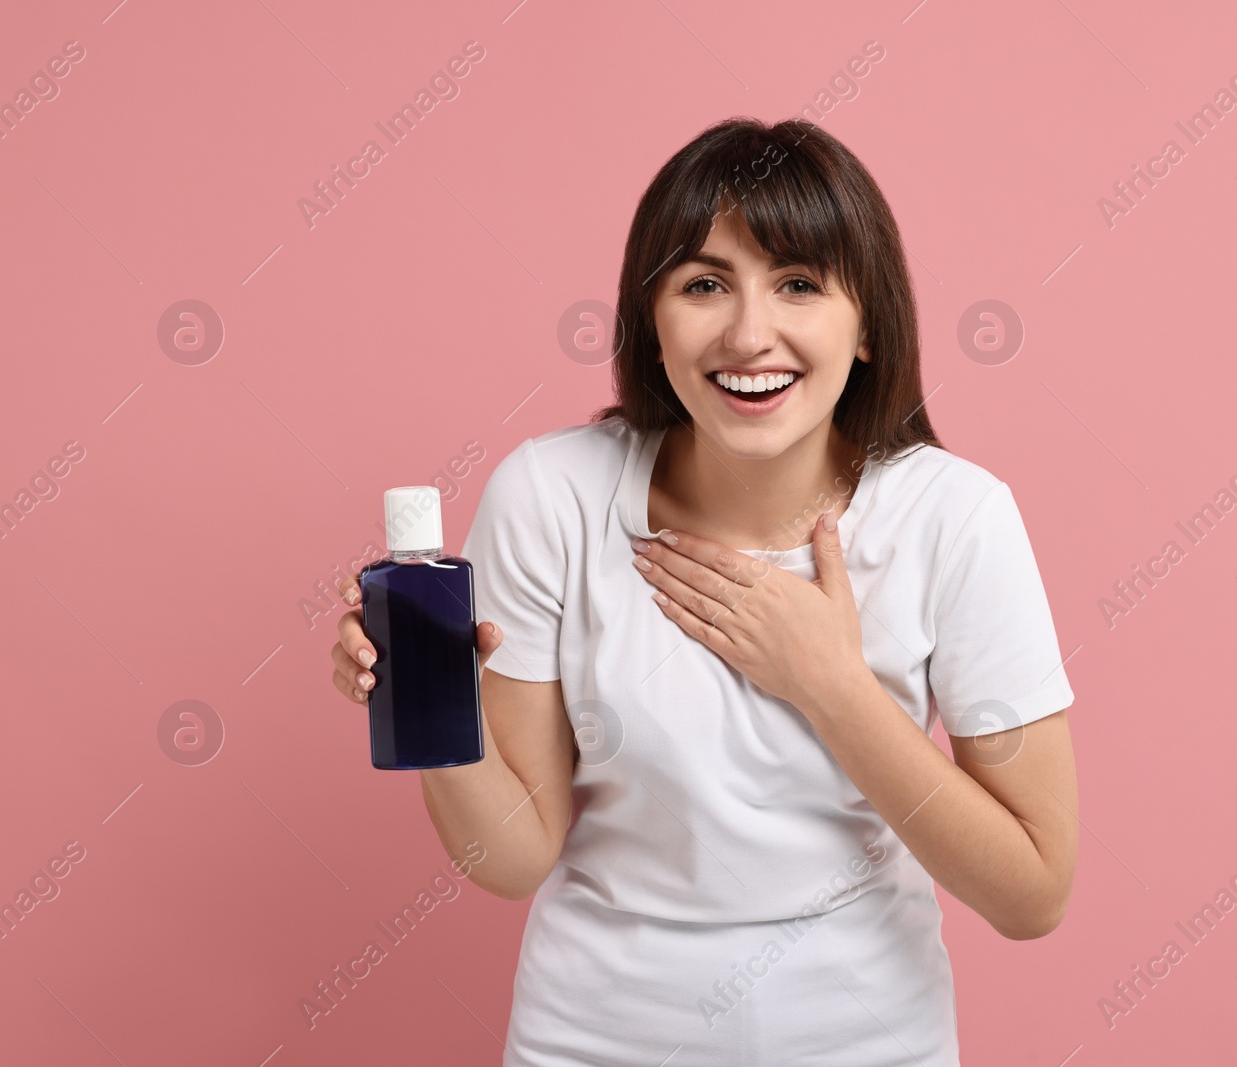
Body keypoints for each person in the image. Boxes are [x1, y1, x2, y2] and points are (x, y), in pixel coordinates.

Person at [329, 116, 1080, 1066]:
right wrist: (422, 696)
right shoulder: (551, 494)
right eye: (704, 284)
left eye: (800, 284)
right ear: (652, 322)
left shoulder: (955, 517)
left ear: (868, 330)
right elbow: (511, 861)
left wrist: (830, 684)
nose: (749, 333)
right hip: (592, 1043)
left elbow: (1033, 893)